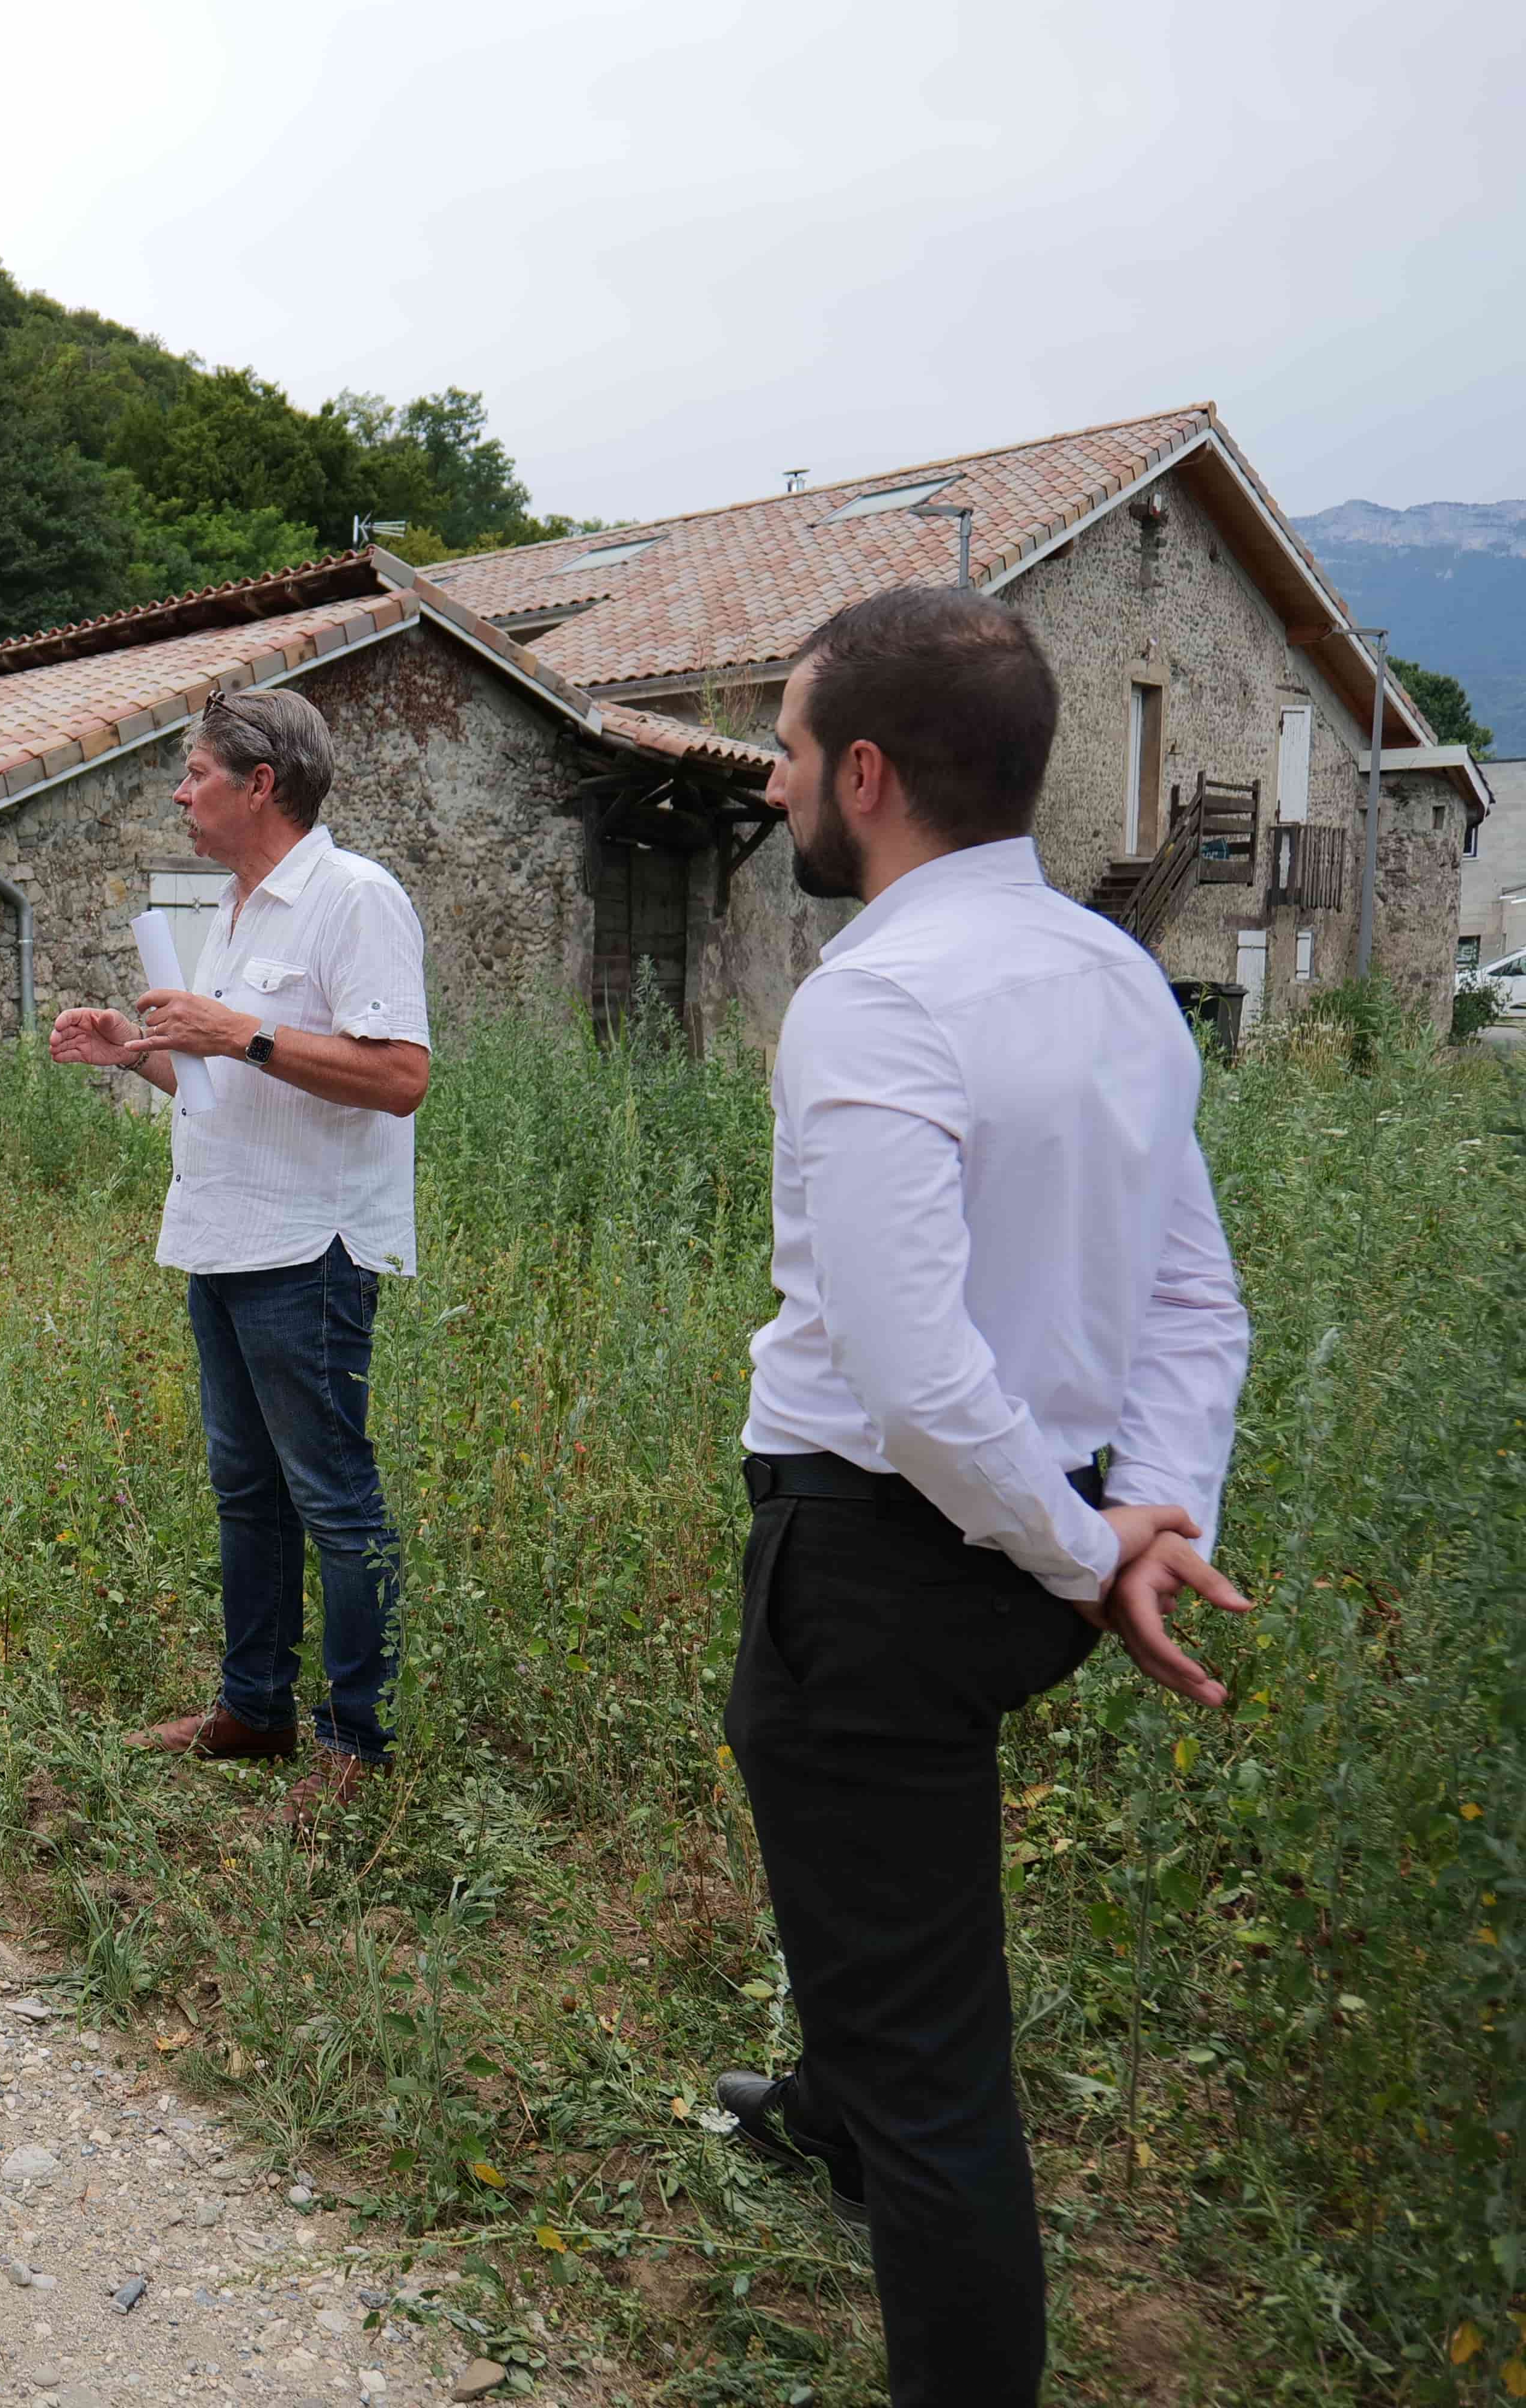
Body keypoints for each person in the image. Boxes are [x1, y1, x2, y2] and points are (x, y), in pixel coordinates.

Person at [713, 588, 1251, 2407]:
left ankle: (895, 2196)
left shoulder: (876, 1001)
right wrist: (1148, 1510)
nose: (774, 784)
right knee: (873, 1886)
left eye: (787, 751)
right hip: (1031, 1542)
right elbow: (1193, 1292)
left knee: (939, 2057)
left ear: (864, 775)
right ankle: (817, 2117)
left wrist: (1087, 1542)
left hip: (892, 1559)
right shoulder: (1113, 973)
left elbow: (914, 1368)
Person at [48, 685, 430, 1816]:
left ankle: (357, 1748)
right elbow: (217, 1084)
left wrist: (244, 1031)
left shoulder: (355, 900)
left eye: (197, 773)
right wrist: (137, 1055)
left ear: (262, 785)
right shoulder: (230, 909)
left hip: (310, 1247)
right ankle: (254, 1711)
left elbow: (401, 1078)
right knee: (247, 1497)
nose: (180, 791)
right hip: (222, 1234)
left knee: (334, 1499)